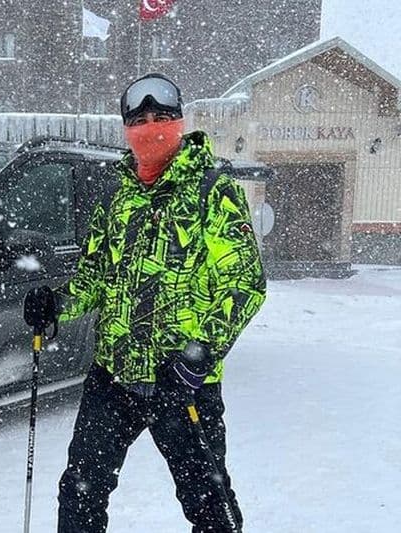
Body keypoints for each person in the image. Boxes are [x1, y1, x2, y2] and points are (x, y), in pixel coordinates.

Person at [24, 73, 266, 532]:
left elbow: (245, 283)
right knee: (80, 492)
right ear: (126, 129)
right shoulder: (116, 196)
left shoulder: (212, 191)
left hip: (182, 381)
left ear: (180, 123)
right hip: (114, 375)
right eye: (140, 120)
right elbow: (96, 275)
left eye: (162, 118)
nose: (151, 127)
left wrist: (203, 350)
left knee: (210, 504)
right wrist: (56, 303)